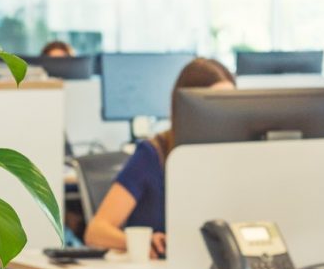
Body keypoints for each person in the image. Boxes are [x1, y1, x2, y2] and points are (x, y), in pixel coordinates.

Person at [84, 58, 235, 257]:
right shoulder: (153, 154)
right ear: (187, 107)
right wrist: (143, 243)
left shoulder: (232, 157)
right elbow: (96, 232)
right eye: (216, 103)